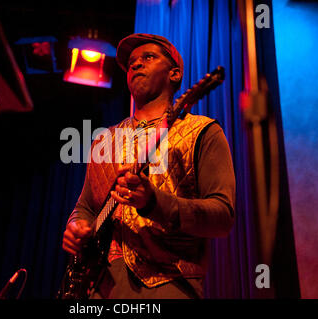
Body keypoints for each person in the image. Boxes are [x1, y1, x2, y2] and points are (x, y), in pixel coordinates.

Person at [62, 33, 235, 299]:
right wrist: (76, 226)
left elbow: (222, 217)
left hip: (168, 285)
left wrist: (154, 202)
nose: (136, 64)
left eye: (148, 57)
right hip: (98, 286)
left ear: (174, 74)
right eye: (131, 62)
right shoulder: (103, 140)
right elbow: (85, 206)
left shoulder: (203, 131)